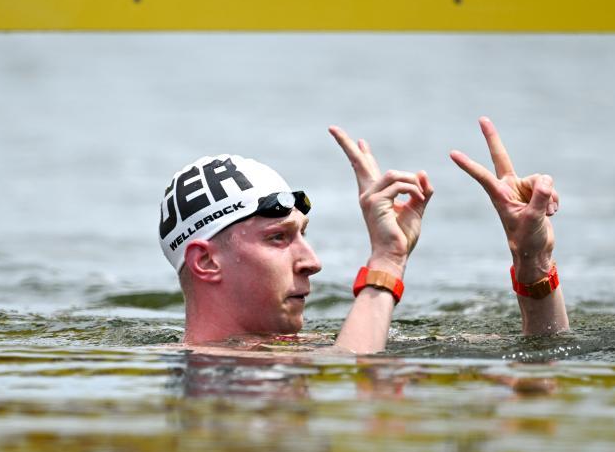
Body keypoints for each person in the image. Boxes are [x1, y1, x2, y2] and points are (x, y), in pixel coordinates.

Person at [157, 117, 568, 352]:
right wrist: (387, 260)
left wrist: (533, 263)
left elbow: (541, 353)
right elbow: (354, 375)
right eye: (278, 238)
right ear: (207, 261)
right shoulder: (192, 368)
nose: (312, 261)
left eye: (302, 234)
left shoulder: (317, 347)